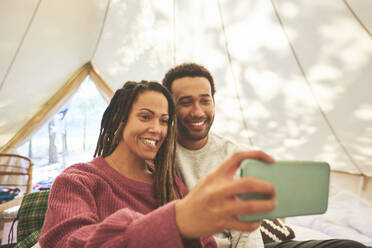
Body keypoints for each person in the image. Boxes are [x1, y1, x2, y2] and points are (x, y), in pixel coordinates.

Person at [39, 80, 277, 248]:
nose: (157, 129)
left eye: (164, 121)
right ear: (117, 119)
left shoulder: (170, 184)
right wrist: (175, 222)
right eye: (145, 116)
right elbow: (71, 242)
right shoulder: (76, 181)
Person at [162, 63, 368, 248]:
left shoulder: (235, 154)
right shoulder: (160, 156)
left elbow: (247, 229)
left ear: (213, 102)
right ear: (170, 107)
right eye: (186, 102)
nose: (197, 112)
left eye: (204, 101)